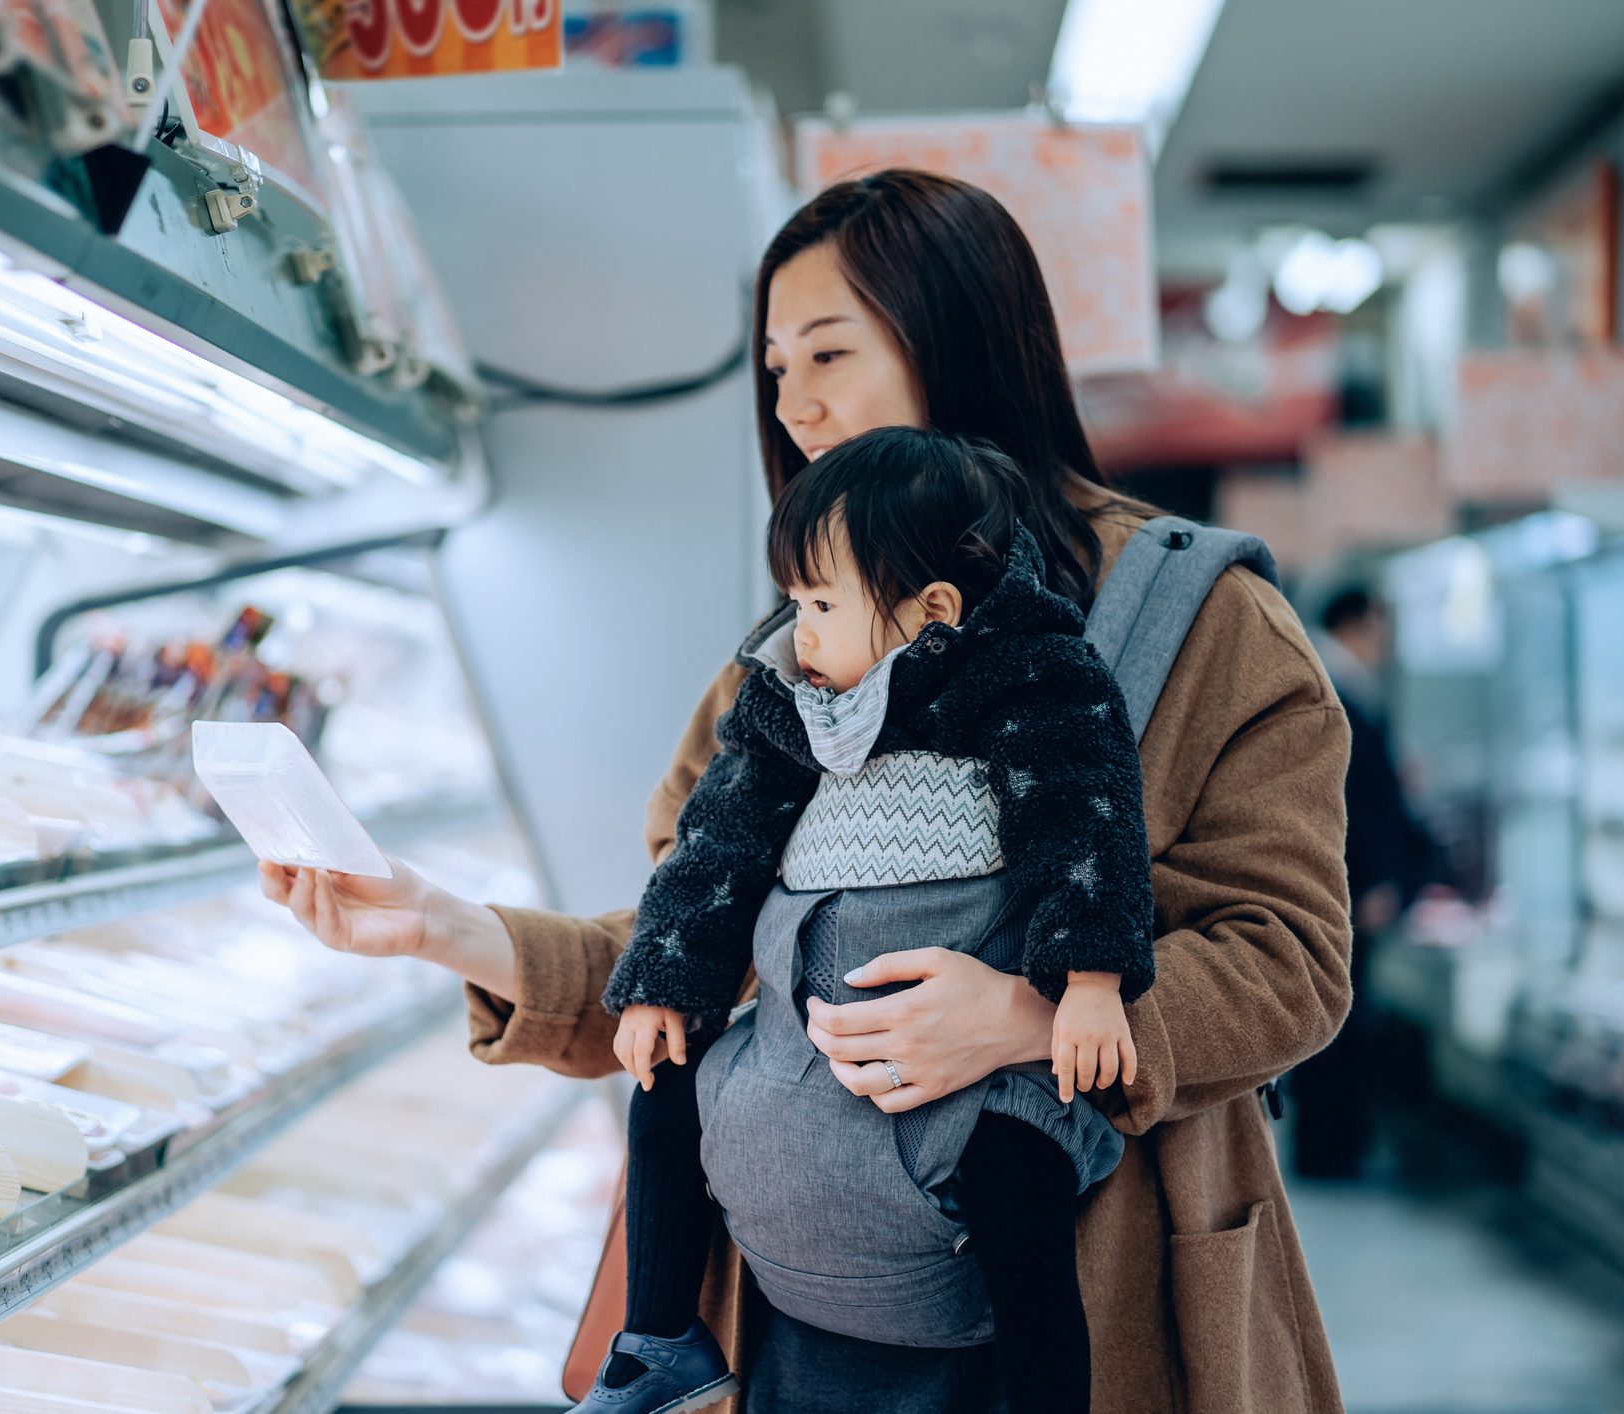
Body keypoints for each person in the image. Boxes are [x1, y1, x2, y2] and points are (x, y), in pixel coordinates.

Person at [262, 169, 1354, 1414]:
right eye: (774, 368)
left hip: (1112, 1313)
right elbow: (700, 940)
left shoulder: (1210, 619)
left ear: (958, 339)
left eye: (829, 351)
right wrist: (443, 924)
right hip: (800, 1321)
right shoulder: (796, 655)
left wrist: (1032, 1015)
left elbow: (1294, 957)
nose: (798, 403)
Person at [580, 425, 1153, 1414]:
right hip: (788, 1070)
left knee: (1023, 1171)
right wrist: (663, 981)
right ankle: (660, 1336)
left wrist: (1089, 984)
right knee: (664, 1076)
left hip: (972, 1091)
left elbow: (1088, 817)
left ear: (931, 610)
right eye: (793, 602)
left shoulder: (1032, 676)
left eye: (818, 604)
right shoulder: (789, 704)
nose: (797, 631)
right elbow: (714, 839)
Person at [1291, 584, 1436, 1179]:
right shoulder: (1334, 687)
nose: (1384, 640)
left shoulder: (1335, 681)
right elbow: (1348, 800)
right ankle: (1331, 1148)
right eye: (1380, 624)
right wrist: (1372, 880)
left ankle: (1334, 1144)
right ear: (1357, 621)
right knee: (1338, 1019)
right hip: (1353, 890)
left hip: (1350, 886)